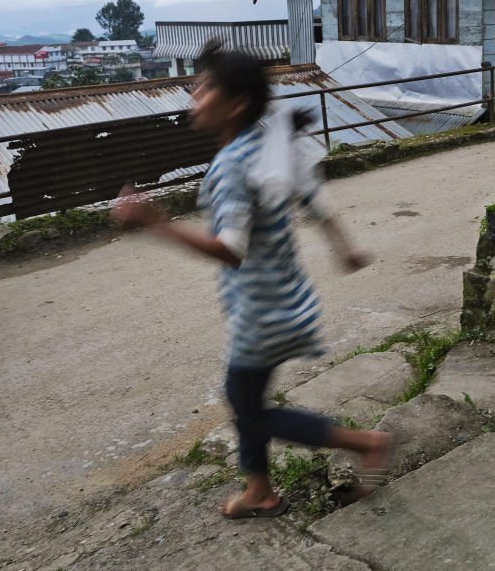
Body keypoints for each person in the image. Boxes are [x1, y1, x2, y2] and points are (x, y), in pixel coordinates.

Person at [112, 41, 391, 519]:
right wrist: (344, 246)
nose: (192, 97)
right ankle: (259, 489)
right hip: (287, 300)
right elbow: (312, 196)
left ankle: (363, 444)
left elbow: (231, 250)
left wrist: (155, 222)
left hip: (262, 310)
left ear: (235, 103)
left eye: (203, 88)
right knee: (246, 398)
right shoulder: (269, 144)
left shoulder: (232, 167)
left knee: (249, 406)